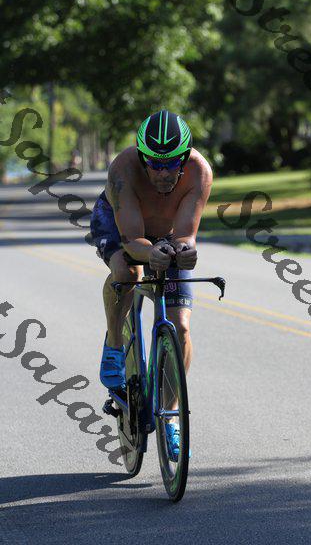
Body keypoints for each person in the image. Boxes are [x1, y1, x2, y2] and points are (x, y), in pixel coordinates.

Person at [90, 109, 213, 459]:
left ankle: (170, 415)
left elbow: (186, 234)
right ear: (142, 157)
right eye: (154, 164)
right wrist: (149, 252)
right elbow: (131, 240)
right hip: (121, 226)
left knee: (181, 327)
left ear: (184, 158)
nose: (163, 172)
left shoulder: (200, 172)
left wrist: (184, 252)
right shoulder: (124, 169)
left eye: (171, 163)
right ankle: (115, 346)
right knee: (127, 273)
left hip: (167, 234)